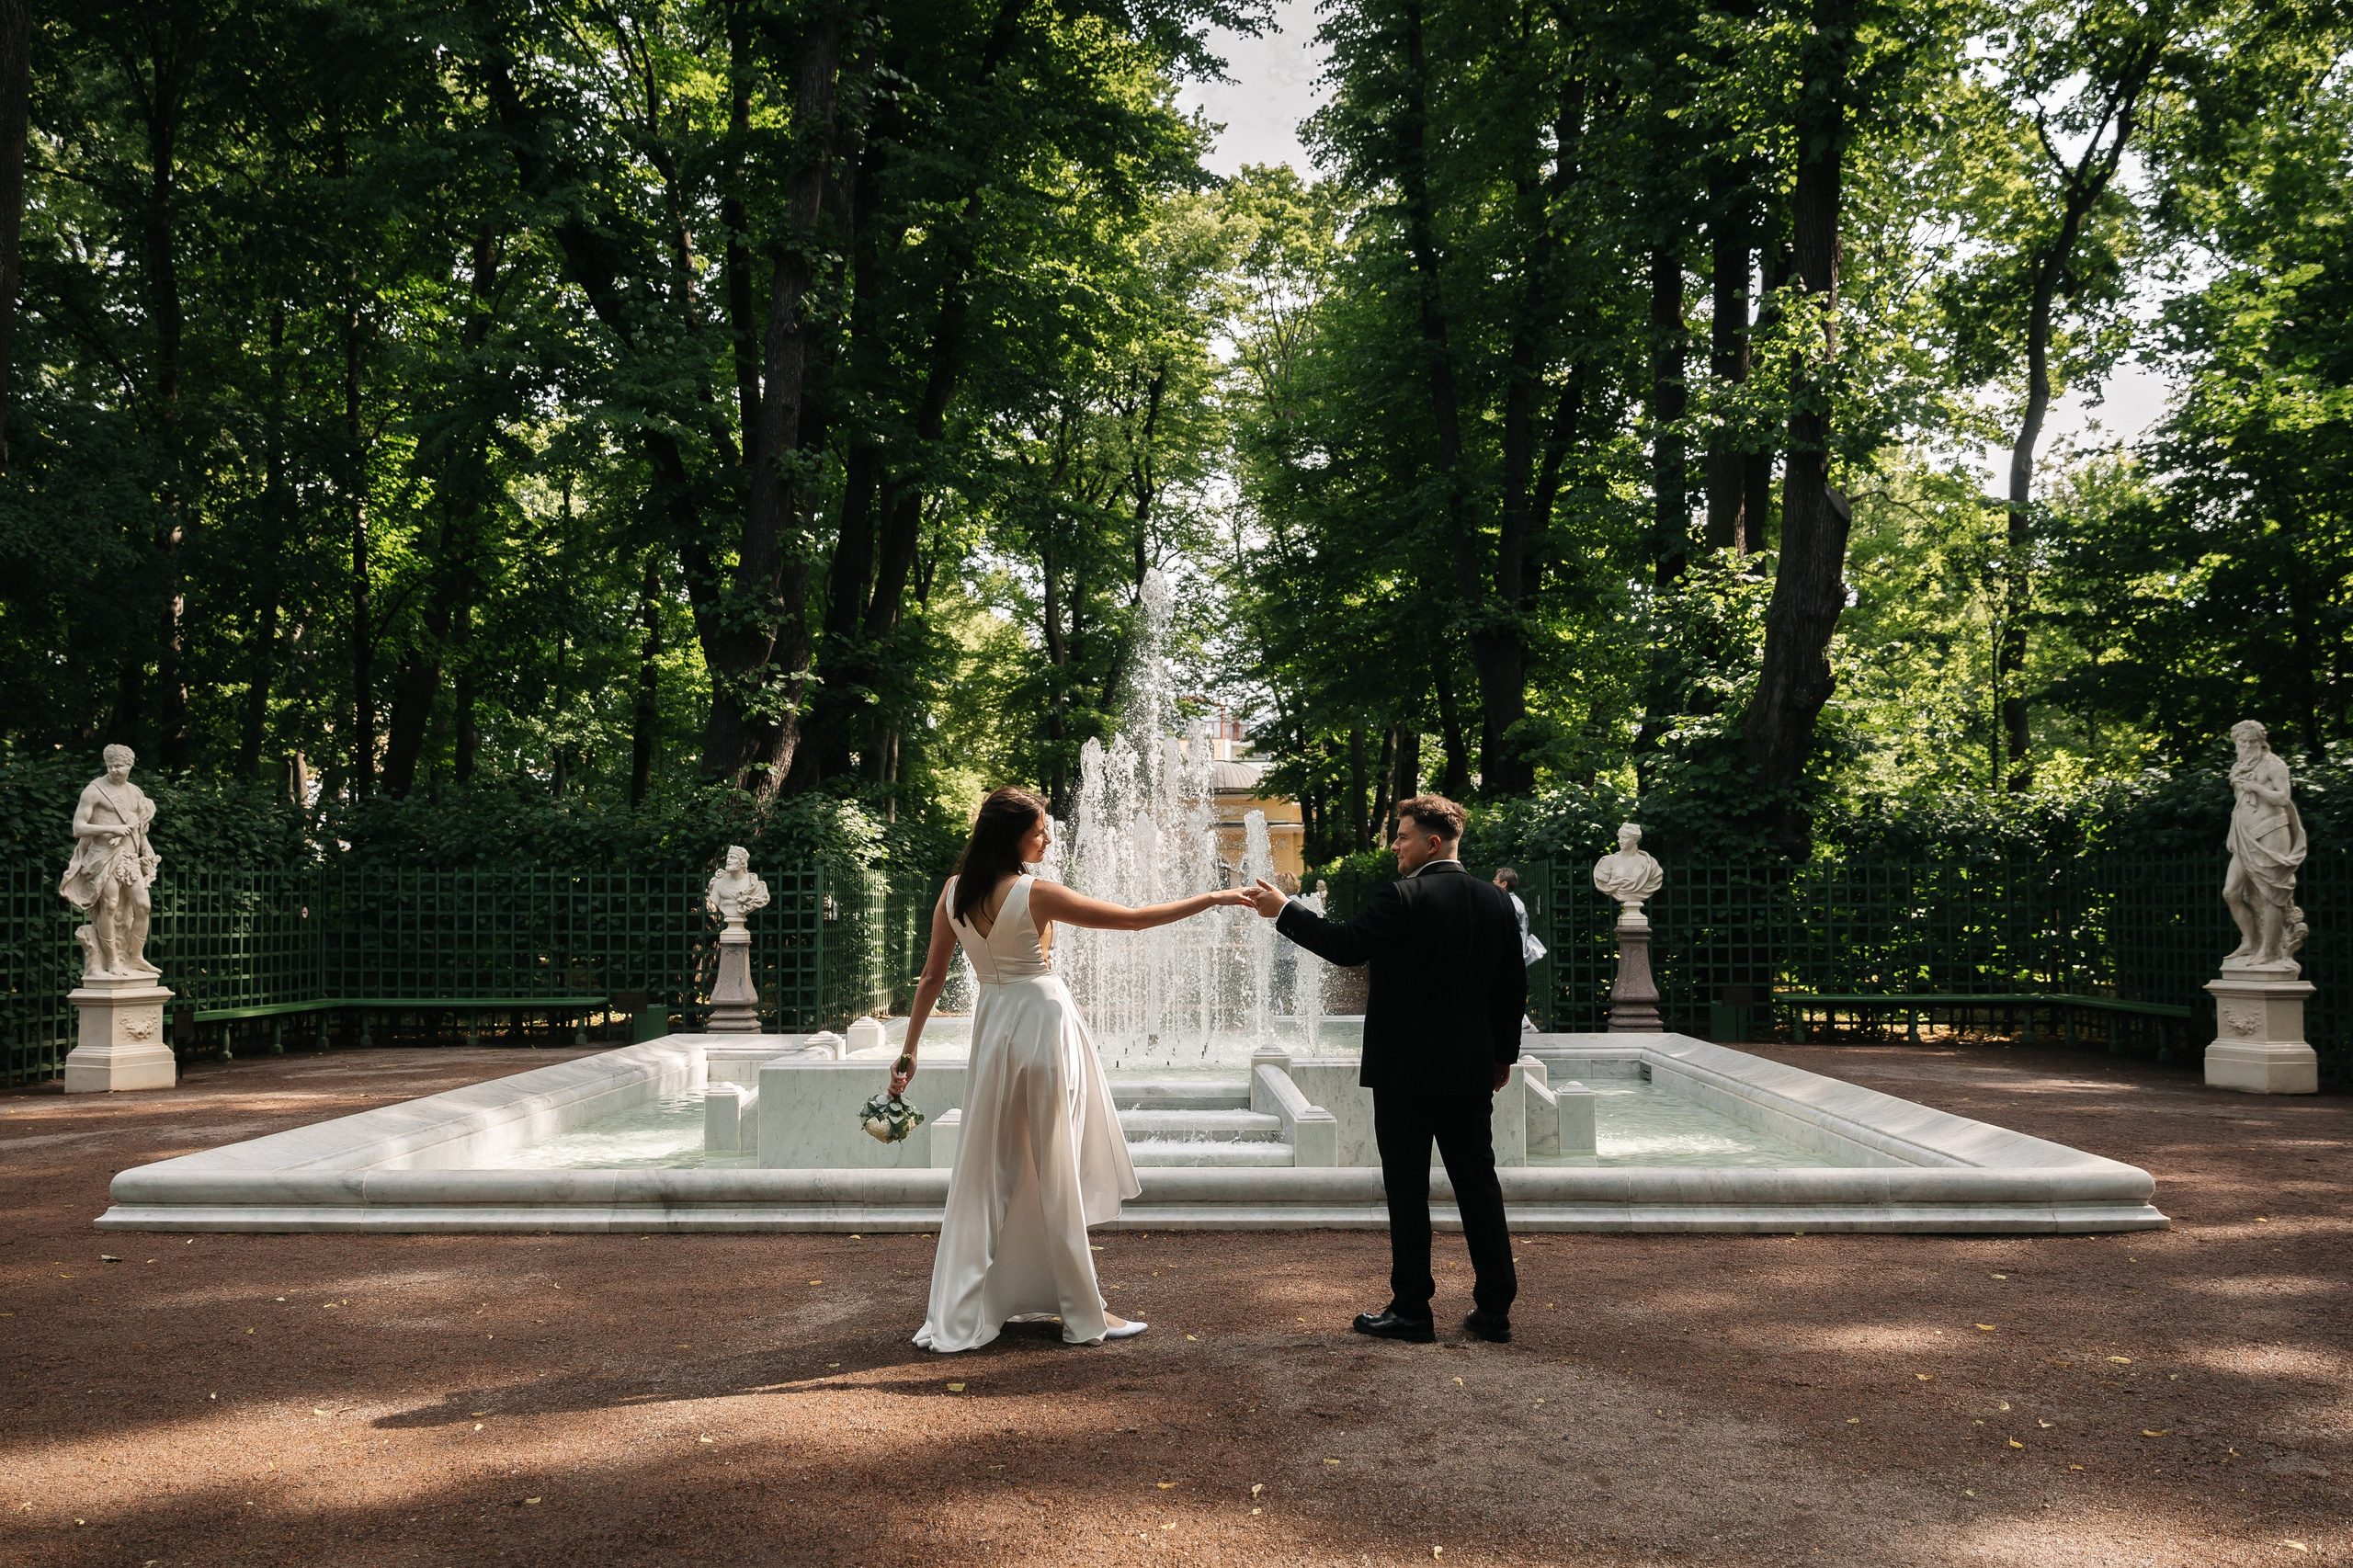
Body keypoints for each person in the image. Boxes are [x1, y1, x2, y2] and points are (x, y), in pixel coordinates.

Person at [899, 787, 1254, 1352]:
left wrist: (908, 1052)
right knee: (1056, 1165)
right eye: (1039, 829)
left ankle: (962, 1308)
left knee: (985, 1169)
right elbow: (1134, 921)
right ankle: (1083, 1312)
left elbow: (931, 978)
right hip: (1044, 1027)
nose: (1048, 837)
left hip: (993, 1033)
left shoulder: (952, 894)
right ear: (1012, 835)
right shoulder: (1036, 893)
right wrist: (1211, 898)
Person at [1244, 795, 1526, 1345]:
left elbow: (1346, 946)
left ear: (1432, 843)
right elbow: (1512, 988)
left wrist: (1283, 910)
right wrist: (1501, 1058)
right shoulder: (1496, 903)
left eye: (1402, 836)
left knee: (1406, 1187)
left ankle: (1413, 1310)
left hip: (1405, 1070)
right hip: (1470, 1067)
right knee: (1478, 1183)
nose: (1395, 845)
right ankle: (1495, 1309)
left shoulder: (1404, 896)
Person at [60, 744, 161, 979]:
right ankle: (112, 959)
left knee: (143, 906)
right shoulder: (94, 790)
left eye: (120, 765)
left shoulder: (135, 793)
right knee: (110, 906)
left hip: (129, 858)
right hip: (103, 857)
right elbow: (78, 827)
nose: (115, 770)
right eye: (111, 765)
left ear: (130, 765)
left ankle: (136, 956)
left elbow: (140, 831)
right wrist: (113, 828)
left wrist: (147, 851)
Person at [1494, 866, 1543, 1032]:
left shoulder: (1509, 903)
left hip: (1508, 956)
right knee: (1504, 990)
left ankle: (1524, 1025)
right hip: (1512, 955)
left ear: (1503, 883)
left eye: (1495, 879)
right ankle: (1524, 1024)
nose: (1492, 882)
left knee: (1501, 990)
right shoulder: (1514, 902)